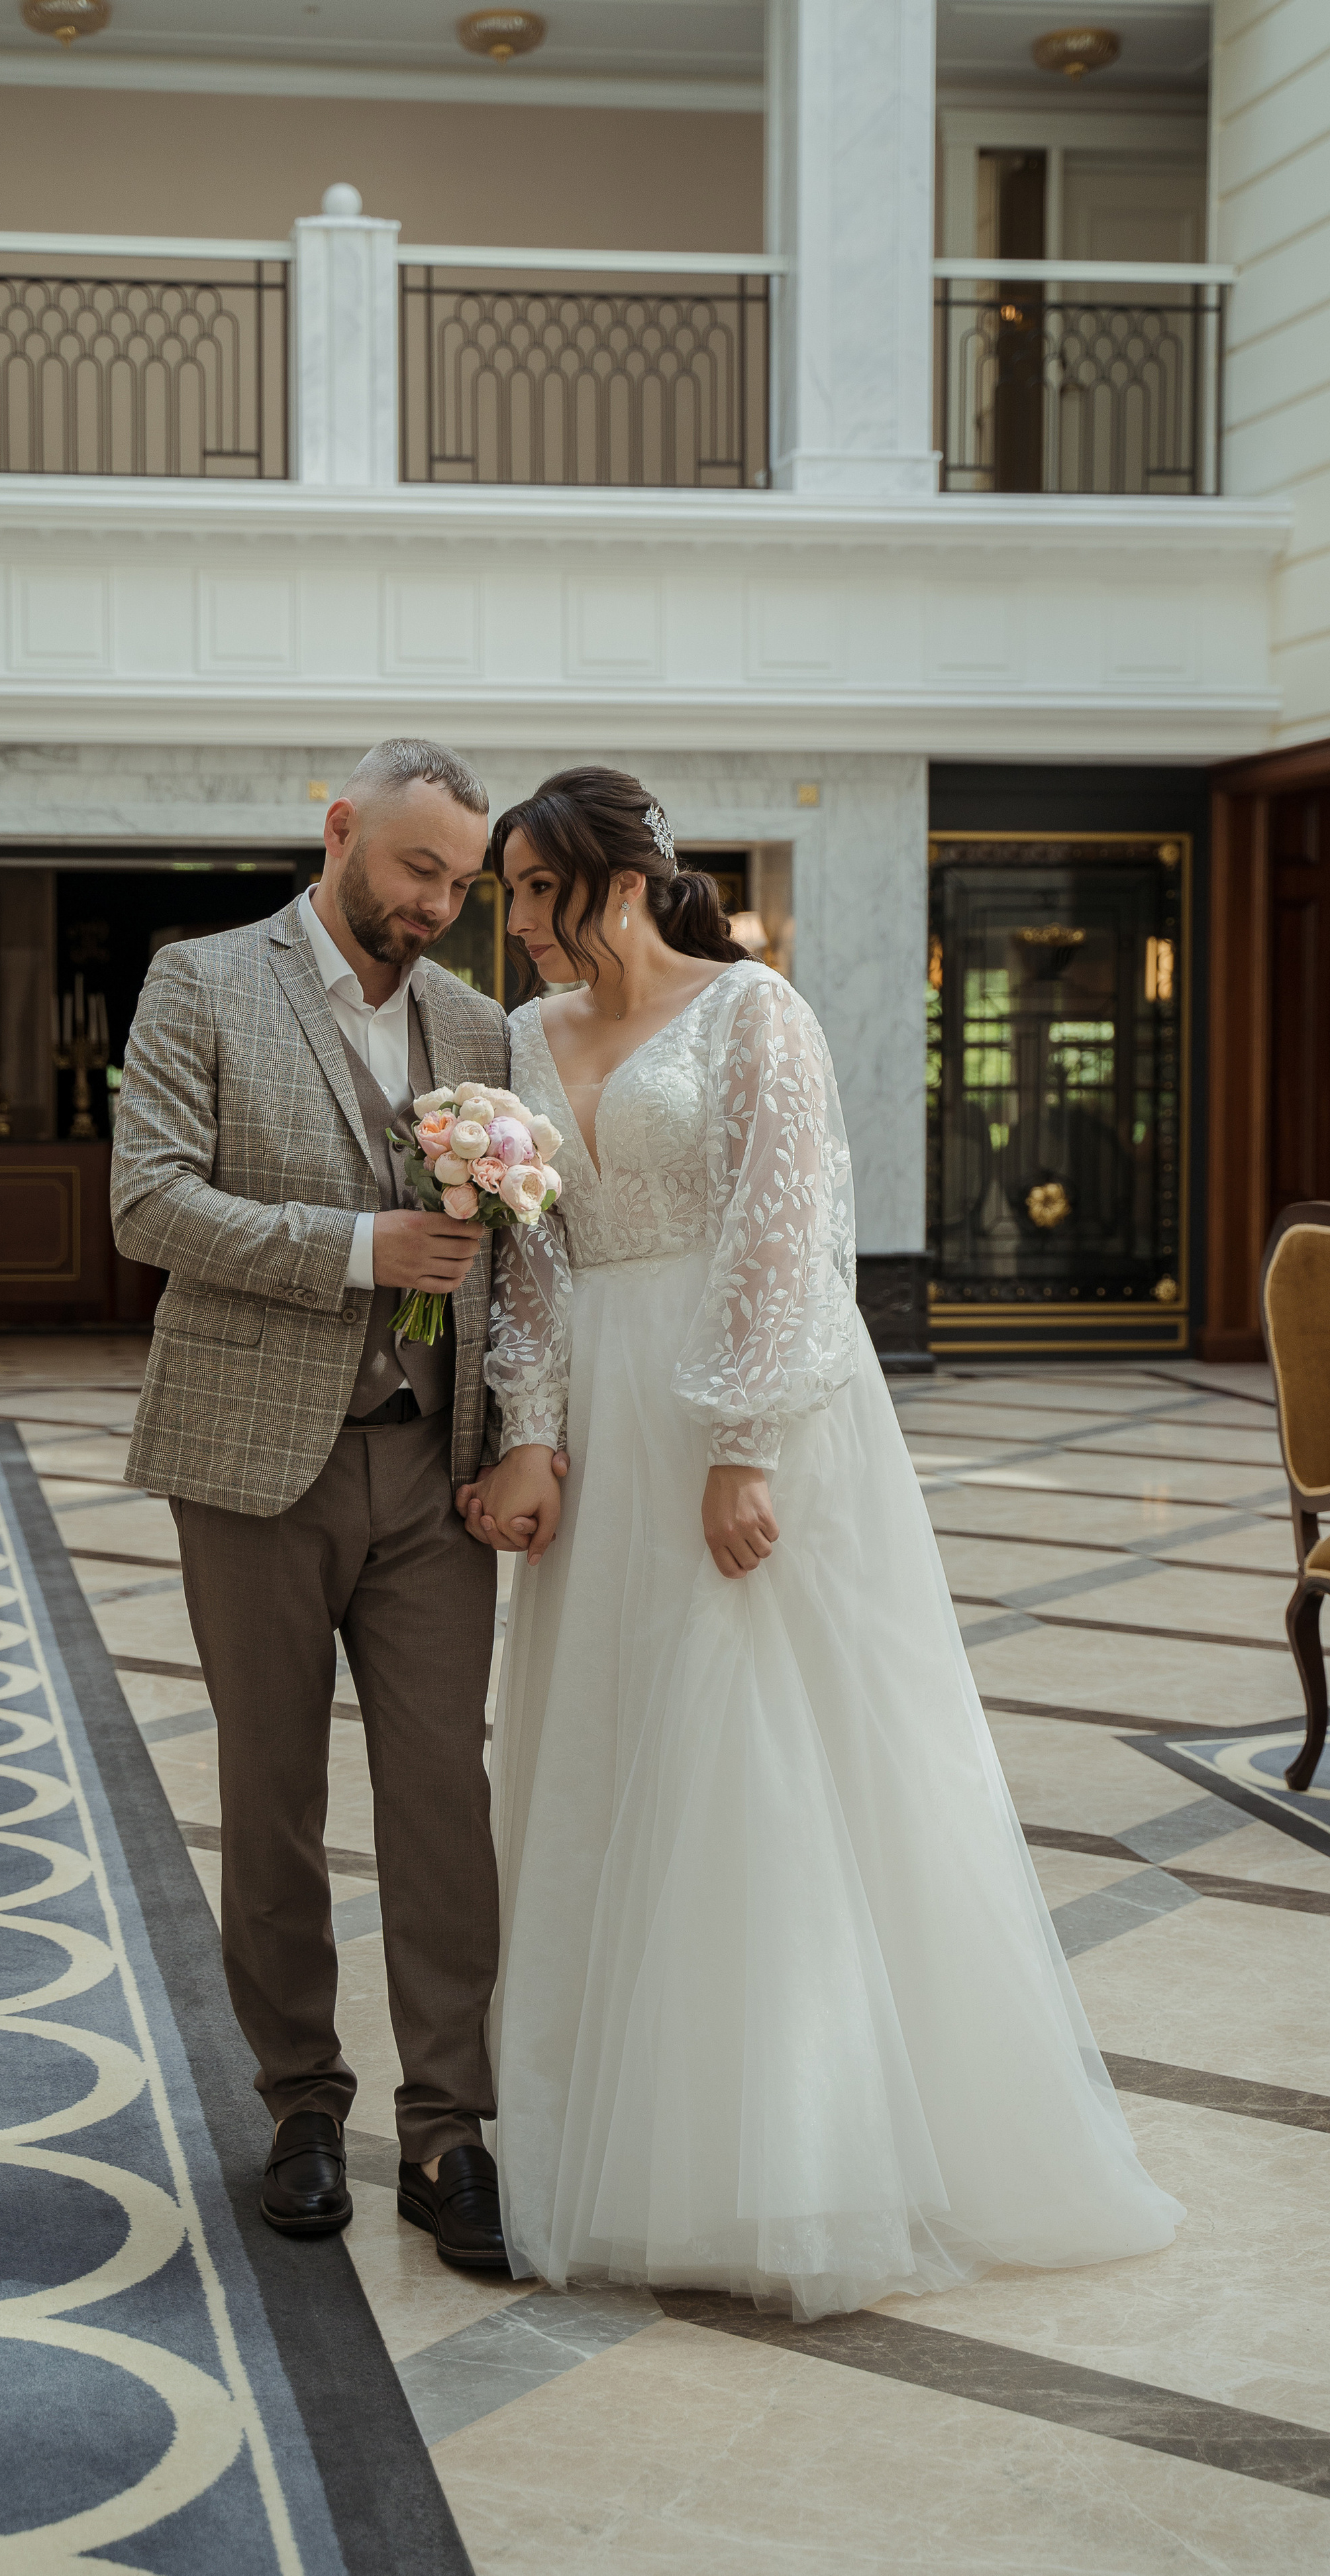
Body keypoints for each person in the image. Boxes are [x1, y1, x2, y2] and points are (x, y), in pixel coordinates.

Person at [462, 767, 1183, 2321]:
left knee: (751, 1741)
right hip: (596, 1406)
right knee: (603, 1744)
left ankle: (781, 2153)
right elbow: (527, 1261)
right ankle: (604, 2129)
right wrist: (528, 1425)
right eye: (504, 894)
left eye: (536, 888)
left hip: (743, 1410)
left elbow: (784, 1238)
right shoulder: (519, 1040)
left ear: (629, 878)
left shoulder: (751, 1014)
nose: (514, 922)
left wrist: (739, 1446)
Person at [112, 737, 516, 2267]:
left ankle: (445, 2132)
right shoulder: (198, 982)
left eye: (463, 885)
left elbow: (520, 1251)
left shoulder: (478, 1021)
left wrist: (519, 1433)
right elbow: (147, 1203)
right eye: (419, 869)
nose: (437, 906)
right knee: (271, 1798)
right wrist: (359, 1248)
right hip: (248, 1461)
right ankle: (298, 2105)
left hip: (432, 1465)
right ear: (340, 830)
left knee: (440, 1796)